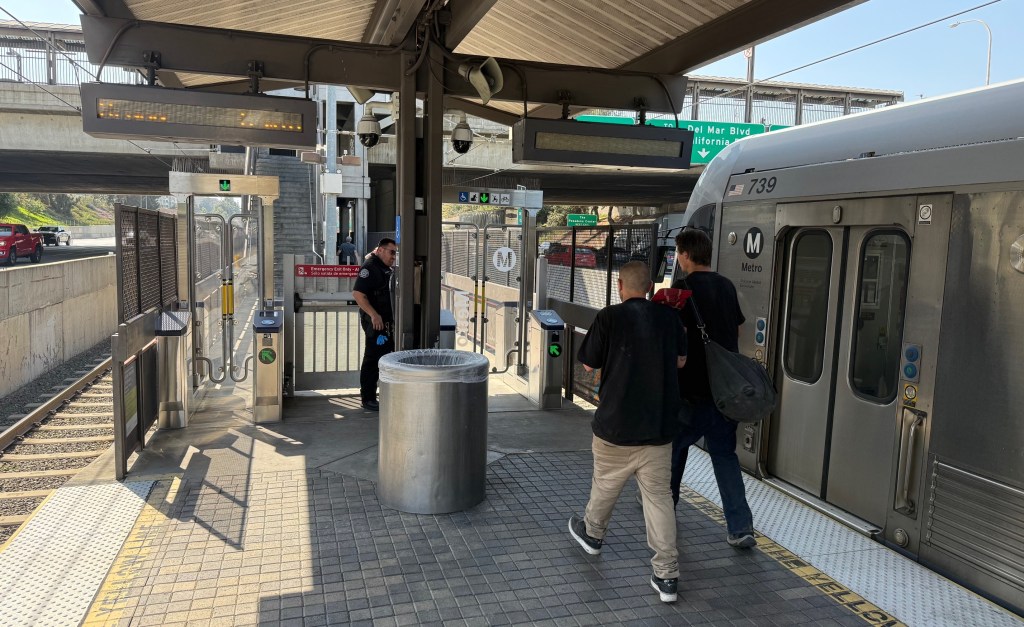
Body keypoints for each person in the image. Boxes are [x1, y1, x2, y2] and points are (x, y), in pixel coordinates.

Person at [567, 261, 688, 604]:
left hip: (616, 425)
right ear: (650, 287)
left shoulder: (609, 317)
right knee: (659, 498)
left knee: (606, 484)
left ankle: (592, 535)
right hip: (659, 429)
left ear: (620, 285)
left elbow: (589, 363)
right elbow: (681, 362)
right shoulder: (670, 319)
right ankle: (667, 576)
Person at [670, 228, 756, 548]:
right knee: (724, 456)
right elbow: (736, 329)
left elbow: (671, 335)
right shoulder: (726, 286)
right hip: (725, 393)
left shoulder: (682, 289)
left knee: (674, 449)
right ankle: (740, 527)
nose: (679, 259)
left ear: (687, 256)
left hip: (691, 390)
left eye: (679, 253)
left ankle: (666, 505)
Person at [352, 238, 397, 411]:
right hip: (376, 323)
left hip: (384, 322)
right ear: (380, 250)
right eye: (391, 252)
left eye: (395, 253)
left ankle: (376, 394)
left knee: (383, 356)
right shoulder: (369, 268)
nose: (394, 257)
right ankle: (368, 398)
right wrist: (374, 315)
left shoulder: (382, 267)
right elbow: (358, 294)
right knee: (373, 358)